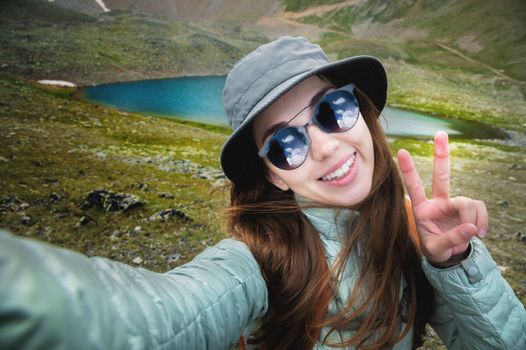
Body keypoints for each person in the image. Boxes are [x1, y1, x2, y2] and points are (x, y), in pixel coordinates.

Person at [0, 36, 524, 350]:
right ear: (272, 174)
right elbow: (161, 317)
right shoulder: (259, 258)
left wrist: (455, 265)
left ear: (361, 111)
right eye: (285, 143)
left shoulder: (419, 236)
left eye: (332, 110)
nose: (322, 146)